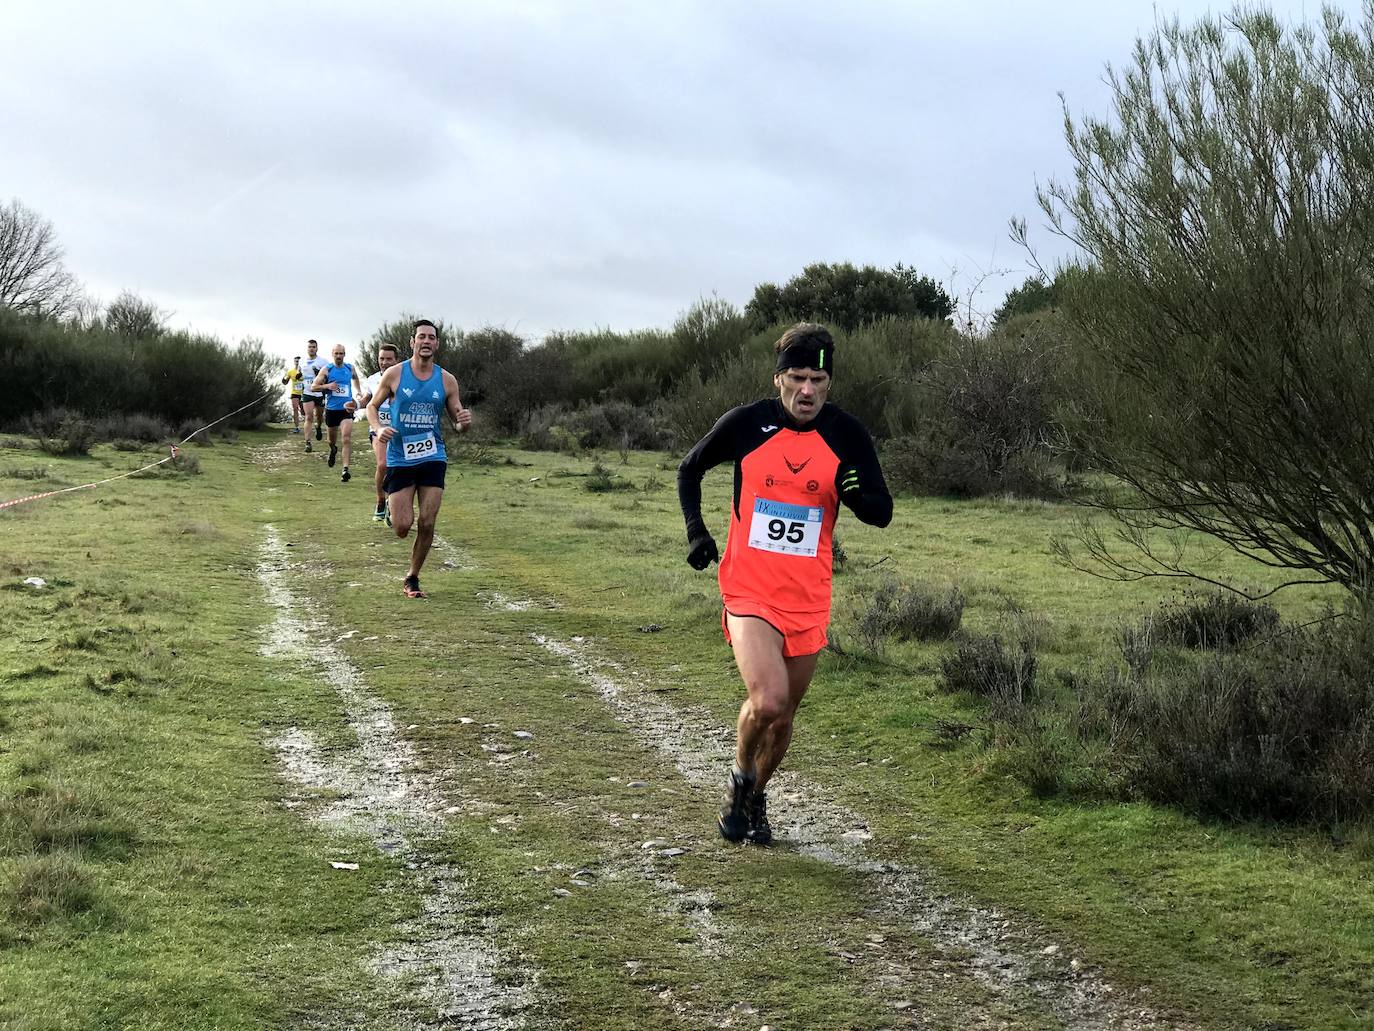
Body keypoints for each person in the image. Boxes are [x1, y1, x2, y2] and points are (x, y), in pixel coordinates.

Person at [677, 323, 892, 846]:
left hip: (808, 596)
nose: (808, 390)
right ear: (779, 379)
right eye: (797, 377)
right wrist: (697, 532)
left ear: (829, 384)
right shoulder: (746, 424)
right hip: (749, 588)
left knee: (784, 718)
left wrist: (854, 493)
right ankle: (739, 779)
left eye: (818, 379)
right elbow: (689, 468)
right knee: (768, 701)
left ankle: (755, 795)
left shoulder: (847, 433)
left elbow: (880, 512)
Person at [366, 318, 471, 598]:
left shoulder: (447, 380)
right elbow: (372, 407)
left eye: (431, 338)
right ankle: (392, 508)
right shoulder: (395, 374)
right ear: (412, 342)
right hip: (400, 456)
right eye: (421, 337)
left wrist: (463, 422)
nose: (426, 341)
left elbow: (458, 423)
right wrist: (378, 429)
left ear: (436, 344)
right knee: (402, 527)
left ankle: (412, 577)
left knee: (427, 521)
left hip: (433, 455)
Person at [356, 342, 401, 522]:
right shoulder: (373, 379)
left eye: (389, 359)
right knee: (383, 465)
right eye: (381, 359)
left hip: (399, 431)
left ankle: (392, 502)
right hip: (378, 429)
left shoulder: (403, 377)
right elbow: (367, 401)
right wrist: (355, 405)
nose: (385, 362)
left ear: (396, 360)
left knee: (397, 466)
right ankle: (381, 500)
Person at [310, 344, 364, 482]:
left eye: (341, 354)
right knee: (331, 440)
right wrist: (327, 386)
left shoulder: (349, 367)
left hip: (346, 409)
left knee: (346, 438)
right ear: (332, 354)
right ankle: (333, 450)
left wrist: (358, 392)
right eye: (336, 354)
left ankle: (345, 469)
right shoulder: (327, 369)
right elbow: (314, 387)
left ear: (344, 354)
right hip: (332, 410)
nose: (339, 356)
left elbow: (356, 378)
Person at [300, 339, 329, 451]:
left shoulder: (323, 361)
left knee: (319, 416)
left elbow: (328, 375)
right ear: (307, 349)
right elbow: (299, 374)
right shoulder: (303, 362)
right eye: (309, 347)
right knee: (308, 416)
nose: (311, 349)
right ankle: (307, 442)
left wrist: (321, 375)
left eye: (313, 347)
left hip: (319, 392)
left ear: (317, 348)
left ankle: (318, 427)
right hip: (307, 392)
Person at [281, 356, 304, 433]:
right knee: (295, 409)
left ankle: (309, 424)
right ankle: (297, 427)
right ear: (294, 362)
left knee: (304, 411)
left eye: (298, 361)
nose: (297, 363)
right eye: (296, 361)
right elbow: (285, 382)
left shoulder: (306, 371)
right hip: (294, 393)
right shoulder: (290, 372)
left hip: (304, 393)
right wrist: (284, 380)